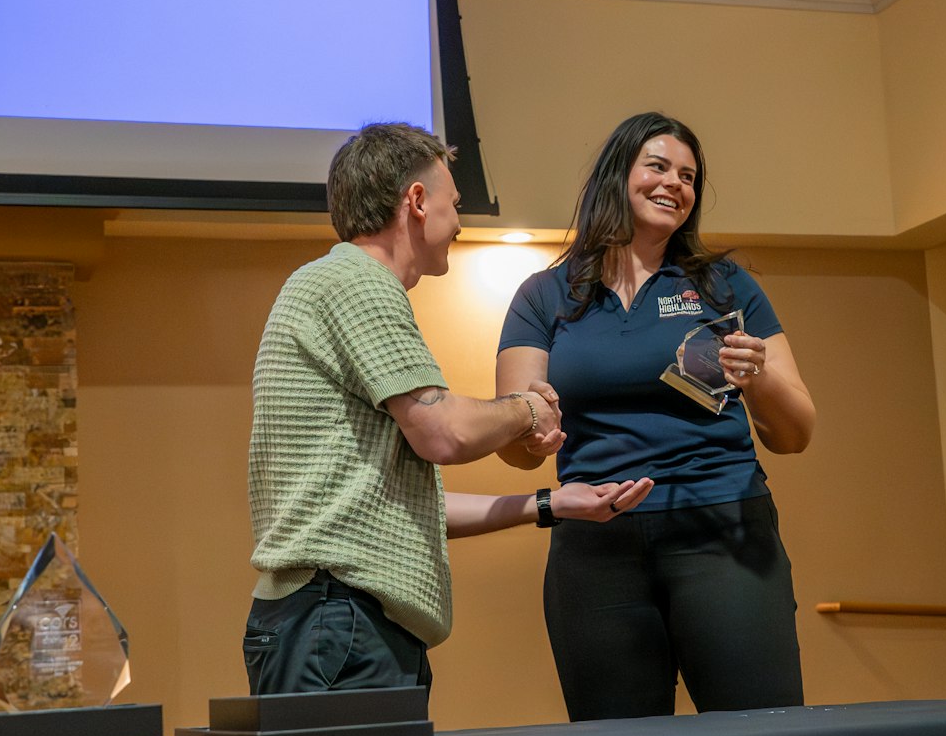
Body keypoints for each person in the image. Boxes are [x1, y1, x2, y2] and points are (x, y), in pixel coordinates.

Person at [246, 121, 653, 696]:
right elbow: (444, 434)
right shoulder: (357, 282)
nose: (459, 223)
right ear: (416, 201)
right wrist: (527, 409)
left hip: (331, 621)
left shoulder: (334, 285)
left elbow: (408, 506)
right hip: (337, 623)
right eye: (455, 203)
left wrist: (551, 503)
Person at [496, 112, 817, 719]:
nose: (676, 183)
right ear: (618, 174)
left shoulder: (726, 285)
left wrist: (760, 376)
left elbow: (796, 433)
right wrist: (534, 437)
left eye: (689, 176)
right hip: (597, 542)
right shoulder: (544, 295)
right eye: (659, 166)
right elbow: (514, 443)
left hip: (721, 529)